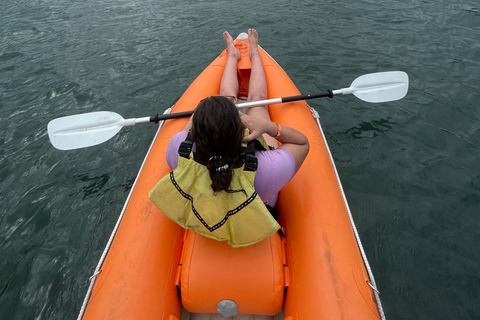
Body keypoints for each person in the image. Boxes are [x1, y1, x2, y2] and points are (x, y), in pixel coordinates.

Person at [148, 29, 309, 247]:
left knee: (225, 98)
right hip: (256, 196)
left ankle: (232, 55)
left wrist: (205, 114)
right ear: (241, 131)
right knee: (258, 101)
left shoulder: (178, 148)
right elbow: (302, 143)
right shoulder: (266, 170)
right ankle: (253, 53)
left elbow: (185, 133)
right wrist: (269, 127)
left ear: (196, 133)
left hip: (209, 193)